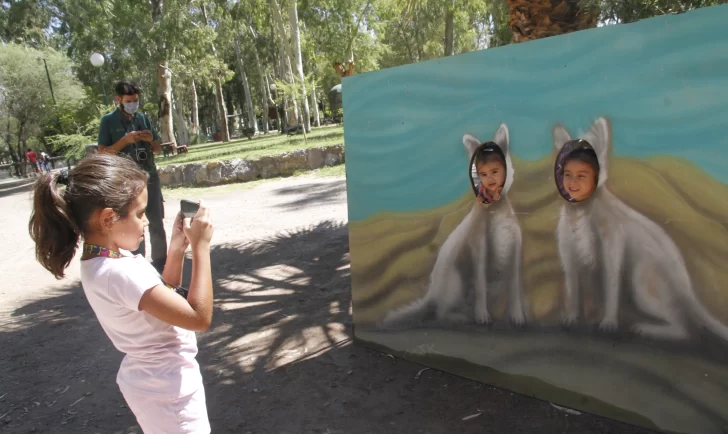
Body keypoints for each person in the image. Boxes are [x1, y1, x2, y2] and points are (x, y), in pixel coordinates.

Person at [28, 153, 214, 433]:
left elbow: (160, 302)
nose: (146, 222)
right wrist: (202, 247)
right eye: (140, 214)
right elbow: (198, 318)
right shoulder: (120, 273)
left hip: (153, 383)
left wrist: (176, 250)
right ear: (108, 218)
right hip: (170, 392)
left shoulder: (104, 261)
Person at [97, 80, 167, 273]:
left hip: (149, 176)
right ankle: (138, 265)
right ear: (118, 99)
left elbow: (158, 149)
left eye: (136, 100)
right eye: (129, 100)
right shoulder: (108, 121)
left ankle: (162, 263)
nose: (133, 104)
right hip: (125, 180)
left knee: (156, 220)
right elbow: (102, 153)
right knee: (132, 222)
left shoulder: (143, 119)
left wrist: (151, 139)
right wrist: (125, 141)